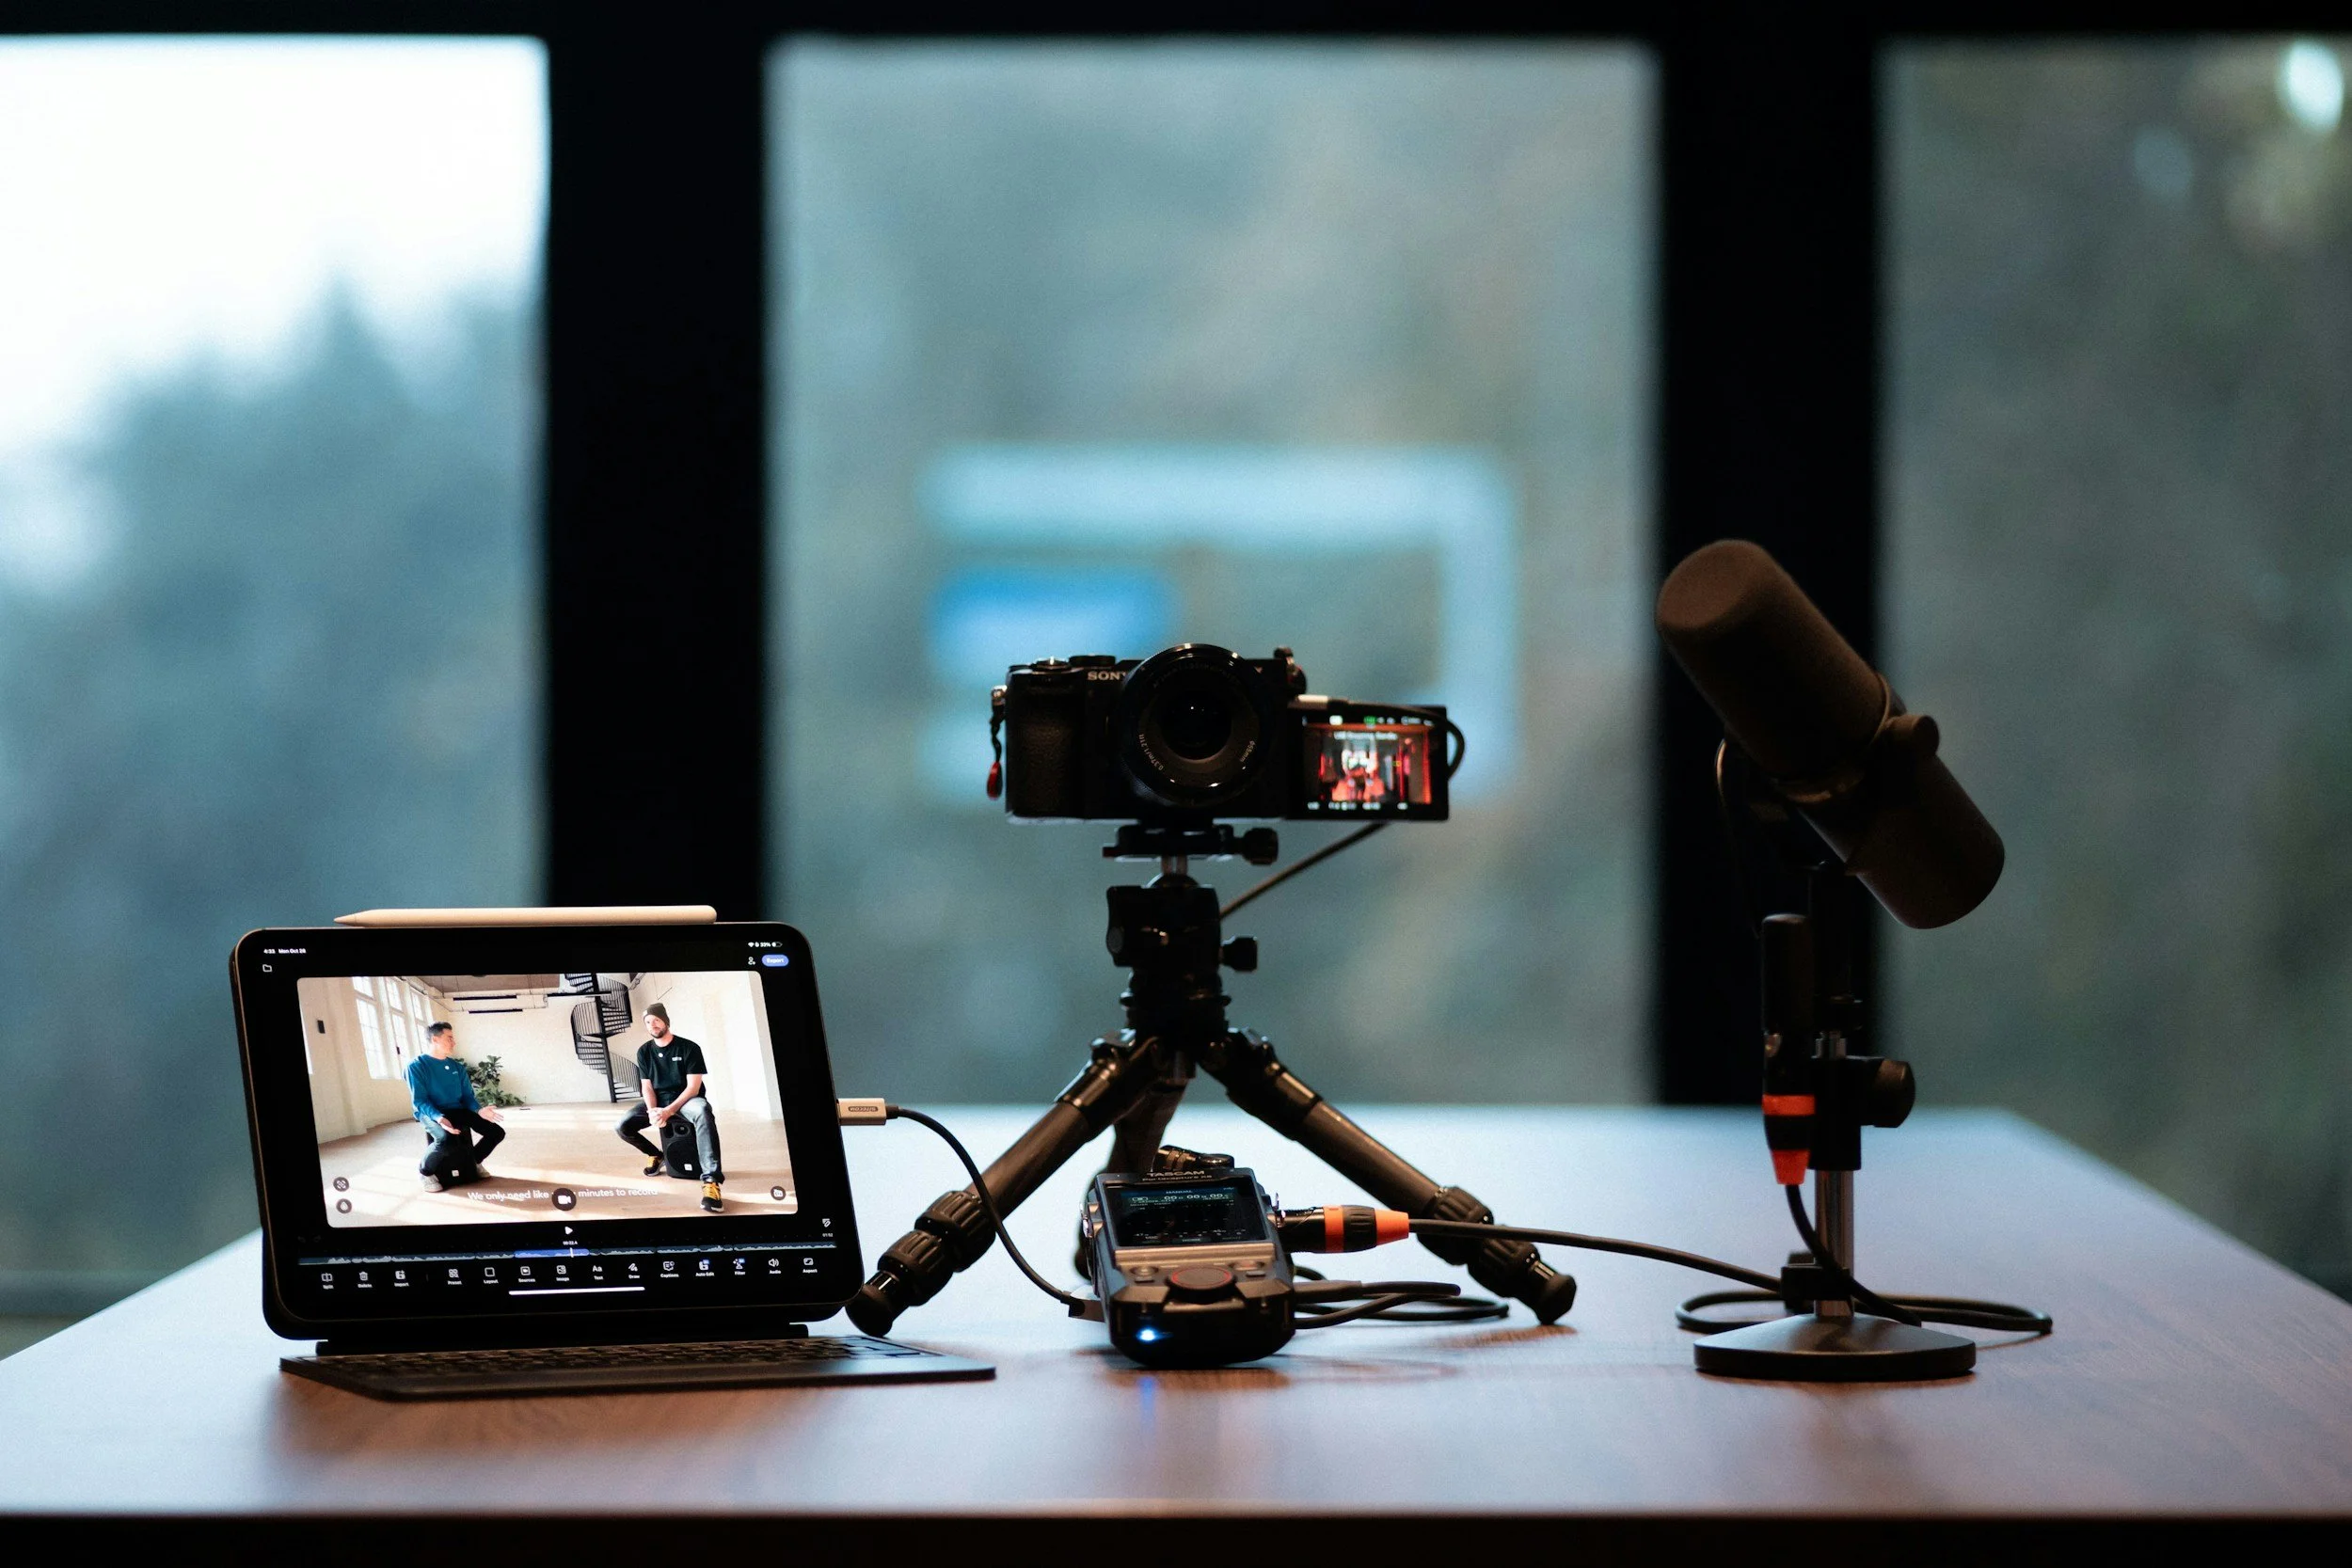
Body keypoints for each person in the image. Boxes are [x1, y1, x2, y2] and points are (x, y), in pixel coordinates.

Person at [613, 1003, 724, 1212]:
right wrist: (653, 1111)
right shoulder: (644, 1052)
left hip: (687, 1101)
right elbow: (646, 1087)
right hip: (660, 1101)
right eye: (648, 1022)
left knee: (703, 1112)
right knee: (622, 1125)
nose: (652, 1025)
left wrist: (670, 1110)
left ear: (665, 1021)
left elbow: (693, 1088)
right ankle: (656, 1154)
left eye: (656, 1020)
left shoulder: (689, 1047)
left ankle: (711, 1181)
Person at [407, 1021, 504, 1192]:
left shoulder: (457, 1067)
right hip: (429, 1112)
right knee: (445, 1139)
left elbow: (468, 1096)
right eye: (449, 1038)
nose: (454, 1042)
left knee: (496, 1132)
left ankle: (473, 1161)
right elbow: (420, 1101)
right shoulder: (416, 1066)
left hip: (457, 1109)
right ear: (435, 1040)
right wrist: (439, 1118)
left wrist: (479, 1110)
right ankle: (425, 1172)